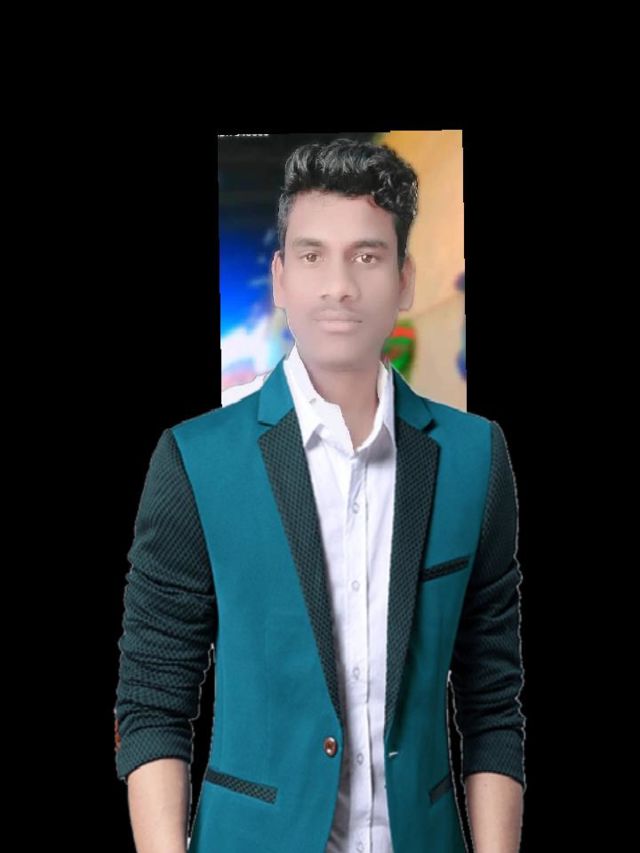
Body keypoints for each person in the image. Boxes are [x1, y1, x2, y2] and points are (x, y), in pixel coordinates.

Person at [114, 137, 526, 853]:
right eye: (312, 256)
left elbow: (492, 702)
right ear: (279, 278)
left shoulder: (475, 458)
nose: (338, 285)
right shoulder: (195, 460)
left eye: (366, 255)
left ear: (404, 279)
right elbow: (153, 696)